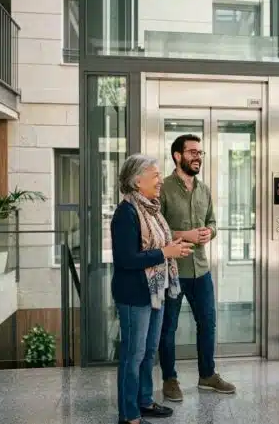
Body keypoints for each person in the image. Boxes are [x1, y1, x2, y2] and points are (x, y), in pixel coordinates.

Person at [111, 154, 194, 424]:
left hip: (155, 291)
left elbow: (158, 246)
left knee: (148, 351)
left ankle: (144, 401)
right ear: (137, 181)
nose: (160, 180)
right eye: (155, 175)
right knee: (132, 355)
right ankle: (129, 415)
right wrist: (165, 252)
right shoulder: (126, 213)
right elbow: (126, 259)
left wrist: (174, 247)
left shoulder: (152, 209)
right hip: (135, 295)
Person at [158, 134, 236, 402]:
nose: (197, 156)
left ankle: (207, 375)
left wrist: (208, 233)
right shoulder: (163, 188)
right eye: (192, 152)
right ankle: (170, 379)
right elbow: (156, 231)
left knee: (208, 323)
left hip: (200, 269)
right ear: (177, 156)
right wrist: (185, 234)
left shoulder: (203, 190)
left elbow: (213, 221)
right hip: (172, 271)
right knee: (168, 327)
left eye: (200, 152)